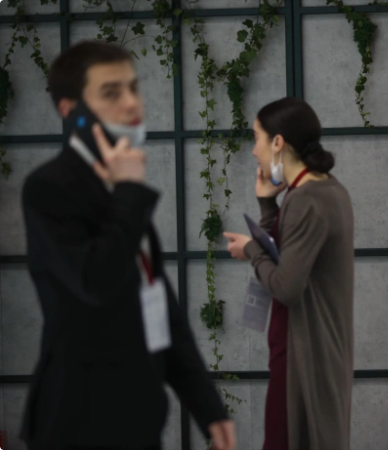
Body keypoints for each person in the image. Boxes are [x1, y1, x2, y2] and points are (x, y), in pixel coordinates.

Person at [20, 41, 236, 450]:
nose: (131, 102)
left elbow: (161, 310)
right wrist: (130, 193)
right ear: (70, 110)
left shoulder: (121, 188)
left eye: (133, 88)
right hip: (76, 422)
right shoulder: (49, 187)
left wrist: (209, 409)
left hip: (138, 418)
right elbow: (95, 280)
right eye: (111, 92)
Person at [224, 97, 355, 450]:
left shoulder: (307, 199)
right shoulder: (325, 189)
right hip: (310, 346)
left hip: (302, 352)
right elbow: (285, 255)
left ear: (278, 142)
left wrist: (250, 250)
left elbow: (286, 286)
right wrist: (268, 205)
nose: (254, 151)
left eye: (258, 138)